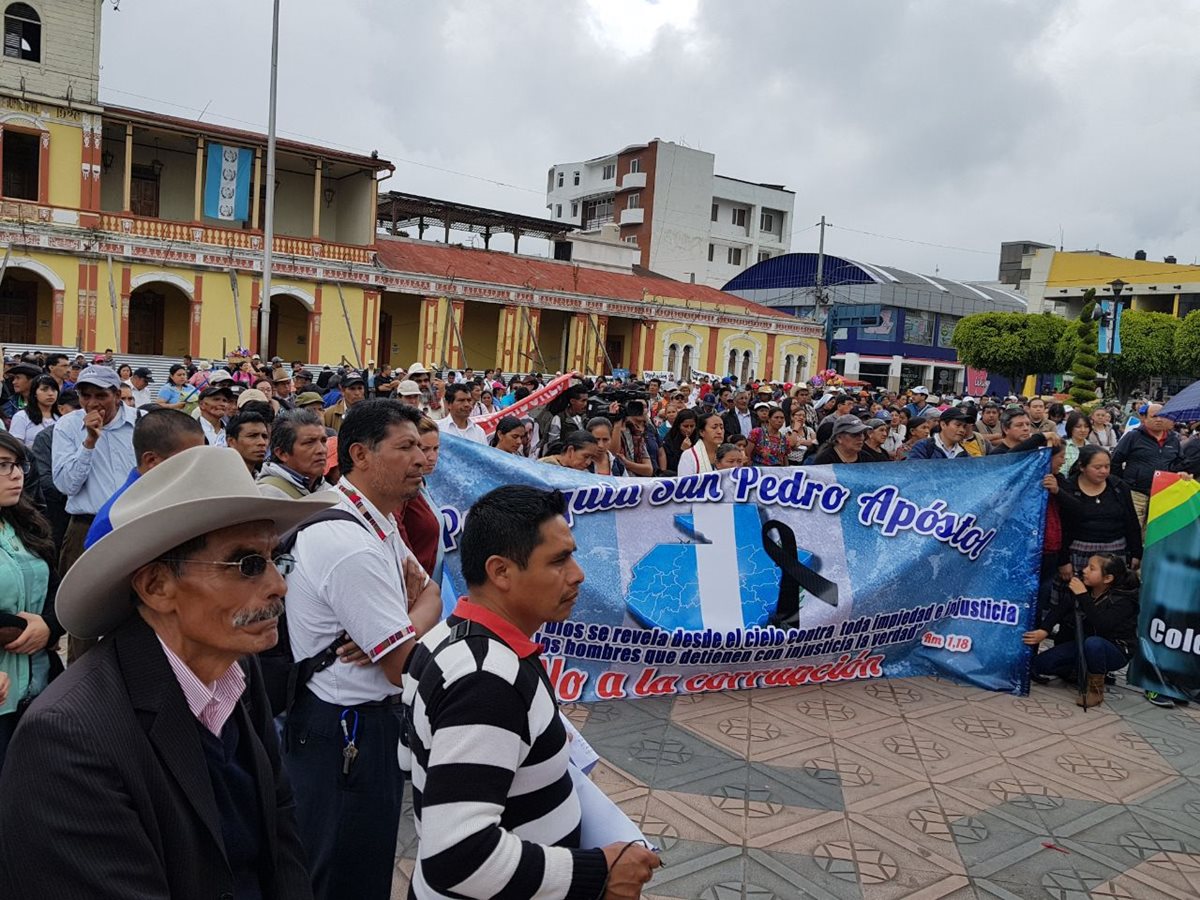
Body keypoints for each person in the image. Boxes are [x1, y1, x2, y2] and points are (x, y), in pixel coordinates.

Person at [0, 446, 331, 898]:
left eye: (275, 559)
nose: (278, 584)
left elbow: (281, 835)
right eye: (248, 564)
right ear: (157, 587)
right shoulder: (69, 738)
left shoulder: (237, 674)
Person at [400, 486, 661, 899]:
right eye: (558, 560)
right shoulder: (485, 679)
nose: (578, 574)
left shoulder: (445, 642)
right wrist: (598, 871)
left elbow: (420, 765)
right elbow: (456, 857)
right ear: (501, 571)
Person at [282, 401, 444, 900]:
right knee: (342, 872)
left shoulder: (378, 519)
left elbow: (428, 592)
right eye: (405, 447)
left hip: (357, 722)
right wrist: (418, 615)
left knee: (361, 862)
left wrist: (417, 612)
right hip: (344, 729)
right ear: (361, 454)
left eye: (421, 446)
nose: (421, 458)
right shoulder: (349, 540)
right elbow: (401, 666)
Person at [51, 366, 137, 656]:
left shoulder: (140, 424)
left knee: (134, 610)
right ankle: (81, 694)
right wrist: (89, 442)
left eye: (100, 395)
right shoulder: (68, 426)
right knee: (83, 618)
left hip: (133, 527)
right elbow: (65, 484)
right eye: (85, 395)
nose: (92, 403)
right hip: (85, 528)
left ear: (117, 395)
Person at [0, 432, 62, 771]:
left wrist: (50, 626)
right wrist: (27, 629)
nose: (16, 474)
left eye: (18, 465)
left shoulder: (23, 523)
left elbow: (57, 588)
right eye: (3, 466)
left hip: (38, 690)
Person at [1023, 554, 1140, 708]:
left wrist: (1082, 595)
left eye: (1091, 569)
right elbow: (1060, 610)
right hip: (1081, 643)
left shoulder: (1124, 600)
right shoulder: (1084, 589)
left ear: (1107, 578)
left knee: (1094, 644)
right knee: (1040, 664)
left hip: (1114, 649)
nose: (1084, 570)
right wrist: (1044, 630)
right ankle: (1078, 671)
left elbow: (1102, 625)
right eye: (1086, 566)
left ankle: (1095, 690)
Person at [84, 409, 207, 549]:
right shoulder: (114, 520)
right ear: (151, 460)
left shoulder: (183, 498)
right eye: (189, 458)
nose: (197, 465)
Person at [1056, 447, 1142, 578]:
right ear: (1082, 467)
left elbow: (1131, 521)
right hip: (1078, 553)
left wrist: (1136, 553)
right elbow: (1061, 527)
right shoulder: (1067, 488)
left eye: (1107, 466)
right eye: (1097, 467)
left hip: (1115, 552)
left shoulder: (1118, 487)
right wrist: (1063, 561)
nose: (1103, 471)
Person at [1110, 402, 1182, 530]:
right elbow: (1115, 460)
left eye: (1162, 416)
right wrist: (1122, 482)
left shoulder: (1174, 439)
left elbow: (1178, 463)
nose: (1159, 419)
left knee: (1155, 530)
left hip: (1162, 493)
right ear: (1145, 418)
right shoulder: (1133, 436)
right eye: (1154, 416)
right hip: (1136, 492)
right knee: (1133, 528)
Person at [257, 409, 332, 499]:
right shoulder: (264, 496)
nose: (321, 450)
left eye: (323, 441)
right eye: (309, 442)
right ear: (282, 453)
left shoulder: (331, 492)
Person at [7, 375, 59, 448]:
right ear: (34, 393)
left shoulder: (61, 417)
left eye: (54, 390)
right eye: (44, 389)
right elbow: (16, 446)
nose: (50, 394)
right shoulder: (22, 416)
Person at [907, 407, 971, 460]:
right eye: (958, 425)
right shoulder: (923, 447)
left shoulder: (964, 454)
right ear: (943, 425)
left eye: (964, 426)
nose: (962, 430)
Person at [677, 411, 725, 476]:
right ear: (702, 432)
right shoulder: (689, 456)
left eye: (721, 428)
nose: (719, 431)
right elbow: (685, 484)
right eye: (714, 427)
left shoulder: (727, 452)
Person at [226, 410, 271, 475]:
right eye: (252, 436)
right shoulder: (218, 477)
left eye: (265, 436)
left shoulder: (265, 480)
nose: (262, 442)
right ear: (231, 442)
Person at [1060, 410, 1092, 475]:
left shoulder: (1092, 448)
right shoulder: (1063, 447)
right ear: (1070, 428)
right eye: (1078, 427)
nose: (1083, 430)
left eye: (1086, 427)